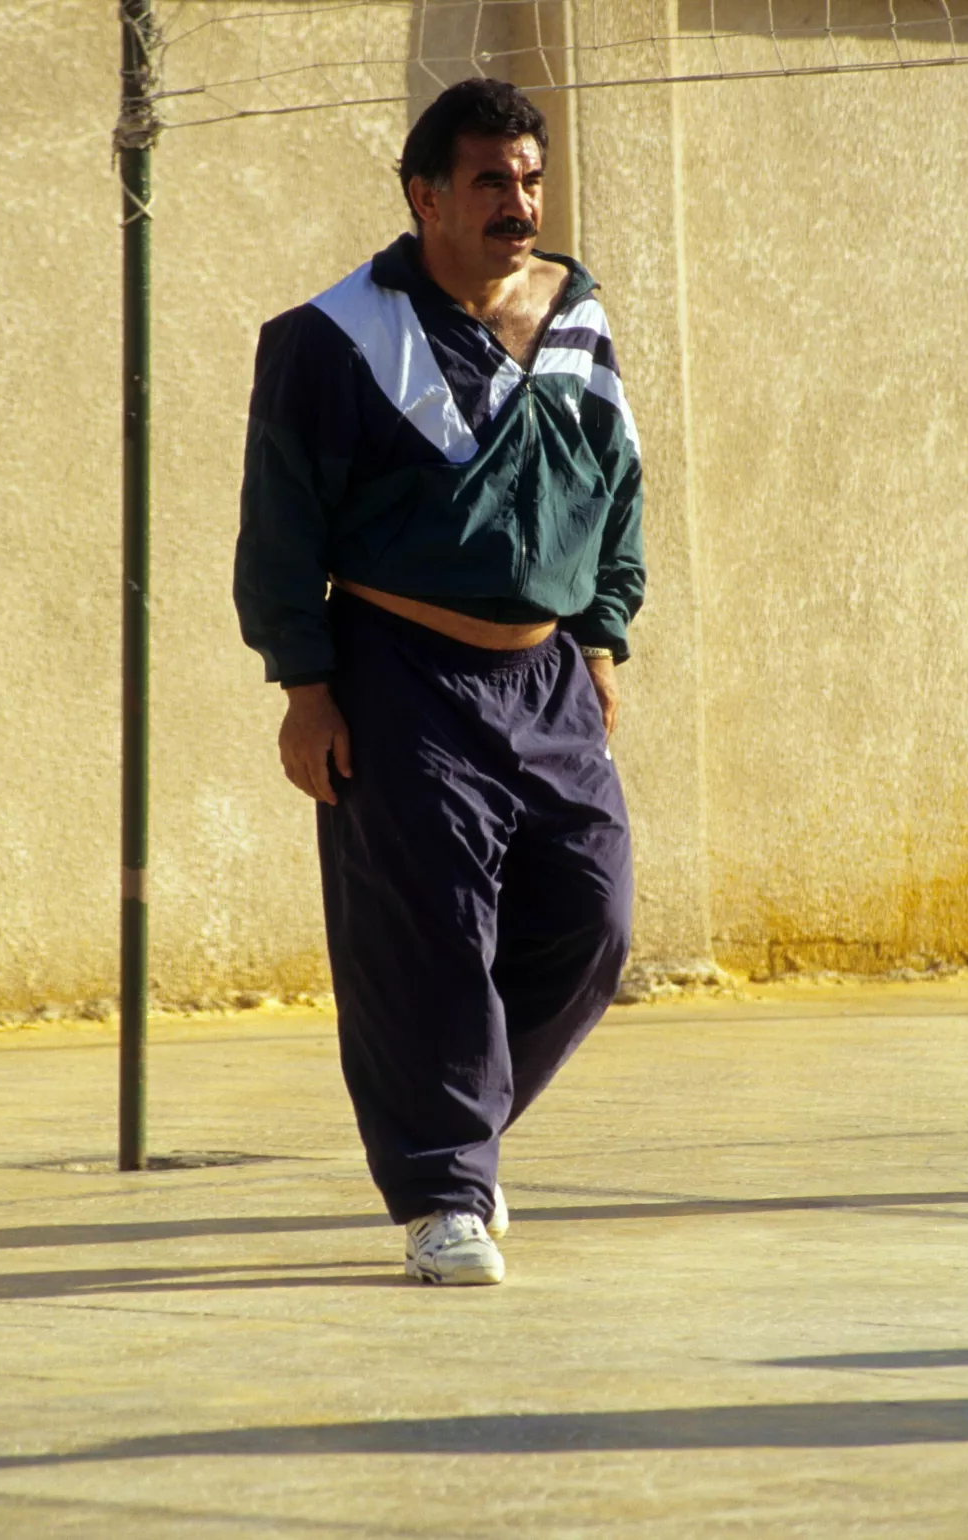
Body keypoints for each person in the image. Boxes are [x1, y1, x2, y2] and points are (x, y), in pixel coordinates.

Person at [234, 77, 644, 1286]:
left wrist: (603, 635)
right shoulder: (332, 336)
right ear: (424, 195)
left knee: (592, 918)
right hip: (398, 671)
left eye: (529, 179)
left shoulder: (576, 313)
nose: (518, 204)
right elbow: (278, 525)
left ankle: (453, 1133)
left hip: (549, 677)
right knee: (426, 938)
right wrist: (305, 686)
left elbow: (615, 484)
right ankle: (439, 1195)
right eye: (489, 182)